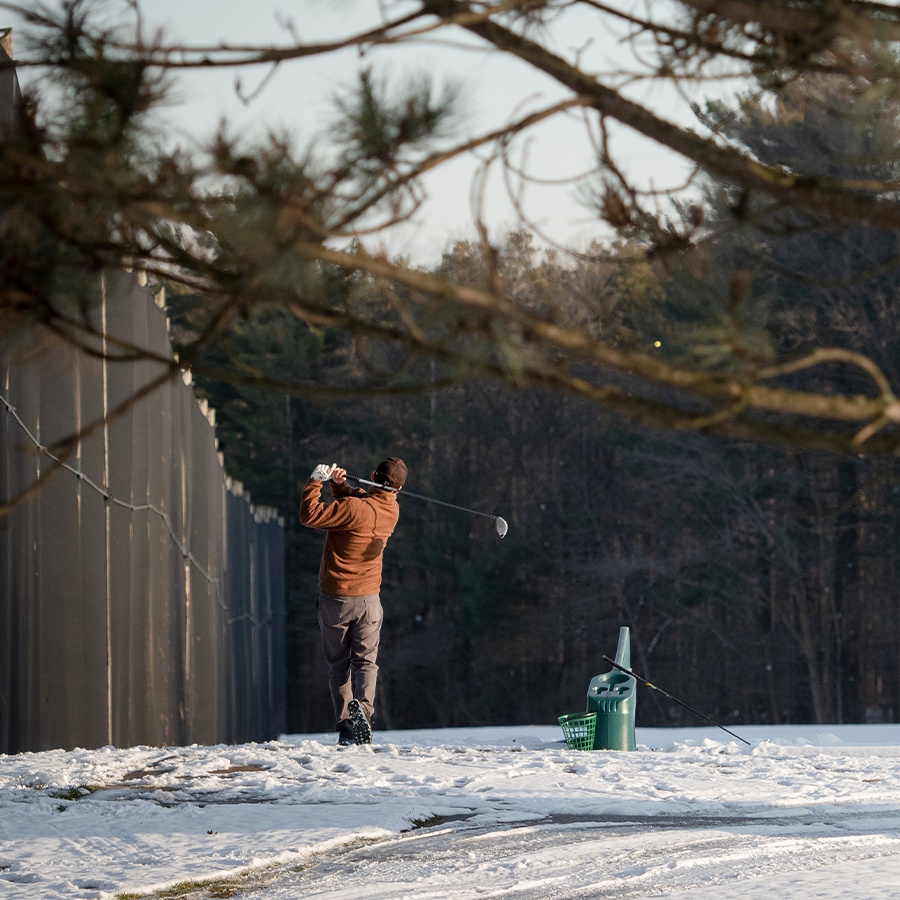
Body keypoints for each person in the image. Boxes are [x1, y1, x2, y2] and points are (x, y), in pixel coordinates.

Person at [299, 457, 407, 745]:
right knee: (366, 662)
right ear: (397, 490)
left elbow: (309, 515)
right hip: (370, 600)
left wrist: (315, 483)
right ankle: (366, 712)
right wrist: (340, 486)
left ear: (372, 475)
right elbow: (365, 504)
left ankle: (348, 725)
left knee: (339, 665)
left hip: (337, 600)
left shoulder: (352, 509)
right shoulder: (391, 510)